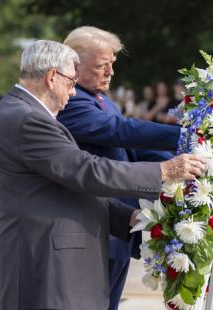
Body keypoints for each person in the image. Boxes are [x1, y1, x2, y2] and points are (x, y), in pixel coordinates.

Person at [0, 40, 205, 310]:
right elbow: (86, 170)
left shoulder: (23, 112)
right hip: (44, 268)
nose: (74, 93)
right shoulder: (26, 118)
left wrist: (129, 218)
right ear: (52, 77)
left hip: (54, 267)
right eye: (71, 82)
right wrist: (163, 171)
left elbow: (67, 186)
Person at [57, 26, 185, 310]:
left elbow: (135, 150)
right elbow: (121, 131)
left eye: (112, 64)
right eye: (102, 66)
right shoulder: (73, 102)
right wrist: (182, 136)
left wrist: (187, 160)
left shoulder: (101, 99)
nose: (110, 72)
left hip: (120, 227)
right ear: (74, 66)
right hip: (97, 227)